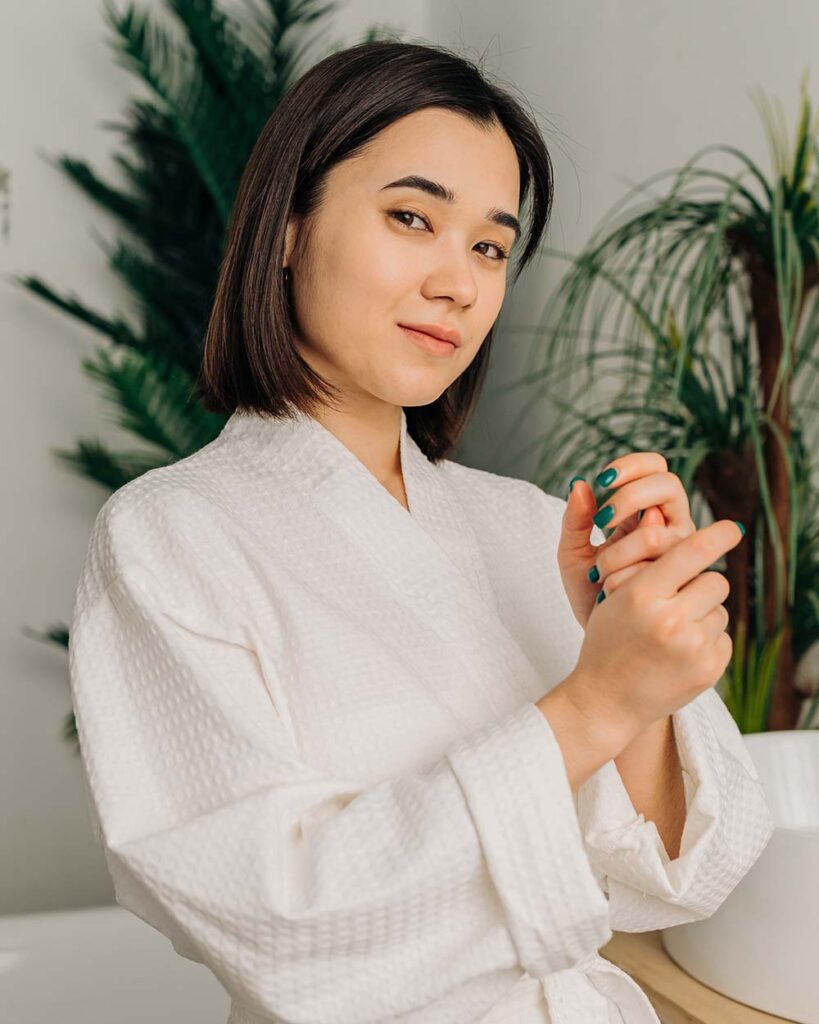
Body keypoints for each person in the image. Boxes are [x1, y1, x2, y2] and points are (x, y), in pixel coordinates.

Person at [68, 40, 774, 1024]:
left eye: (489, 247)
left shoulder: (528, 524)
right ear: (287, 226)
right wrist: (594, 700)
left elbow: (676, 876)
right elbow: (279, 925)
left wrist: (642, 681)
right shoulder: (168, 536)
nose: (460, 284)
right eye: (411, 218)